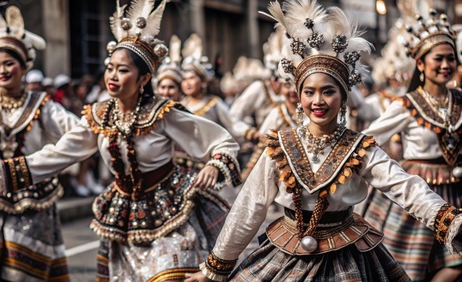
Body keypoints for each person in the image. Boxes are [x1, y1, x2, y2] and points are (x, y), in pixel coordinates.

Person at [0, 1, 241, 281]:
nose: (112, 76)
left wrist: (214, 165)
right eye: (110, 68)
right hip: (124, 215)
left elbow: (222, 141)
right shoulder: (98, 116)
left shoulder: (163, 113)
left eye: (122, 70)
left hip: (170, 208)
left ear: (144, 78)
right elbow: (60, 153)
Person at [183, 1, 462, 281]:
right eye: (309, 92)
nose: (317, 101)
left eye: (328, 91)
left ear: (343, 98)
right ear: (299, 95)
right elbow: (249, 207)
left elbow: (405, 186)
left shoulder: (359, 148)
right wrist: (215, 268)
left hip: (346, 257)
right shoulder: (280, 146)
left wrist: (448, 219)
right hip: (285, 251)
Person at [0, 2, 78, 281]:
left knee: (21, 274)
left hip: (32, 198)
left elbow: (79, 134)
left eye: (9, 64)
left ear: (24, 66)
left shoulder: (43, 105)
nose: (2, 71)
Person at [361, 9, 462, 281]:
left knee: (456, 264)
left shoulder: (460, 99)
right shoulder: (406, 105)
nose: (445, 65)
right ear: (420, 64)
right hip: (419, 193)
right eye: (438, 59)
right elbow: (367, 142)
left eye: (451, 59)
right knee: (408, 270)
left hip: (456, 193)